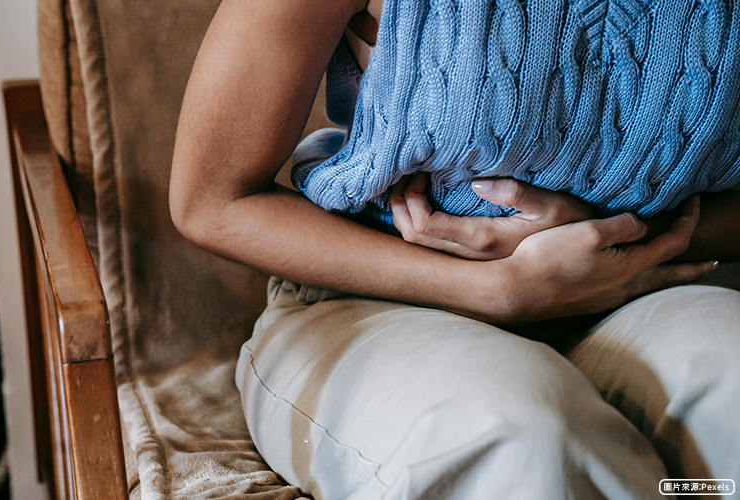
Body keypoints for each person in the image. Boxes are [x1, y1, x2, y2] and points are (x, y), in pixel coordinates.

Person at [169, 0, 740, 498]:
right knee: (525, 443)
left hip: (645, 285)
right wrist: (496, 290)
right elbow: (212, 200)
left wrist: (609, 235)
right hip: (380, 301)